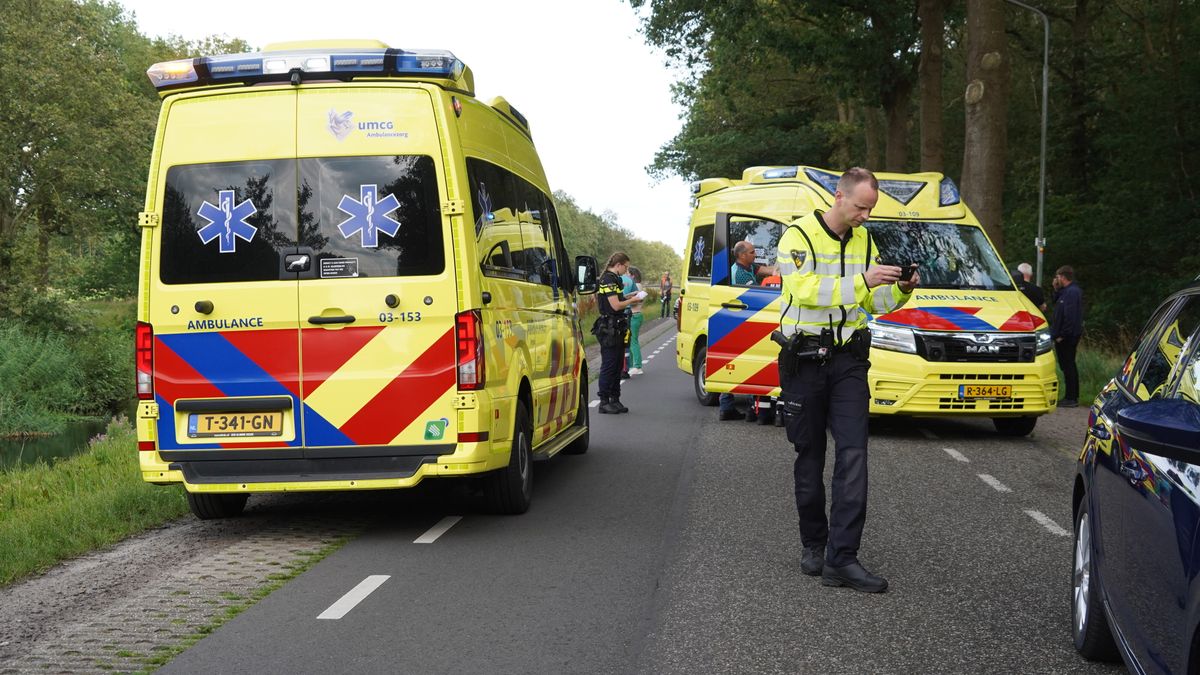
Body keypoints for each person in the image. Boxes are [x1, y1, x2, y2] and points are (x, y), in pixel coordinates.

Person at [776, 167, 918, 593]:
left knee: (855, 454)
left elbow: (874, 301)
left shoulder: (866, 240)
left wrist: (903, 290)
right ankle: (814, 544)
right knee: (810, 456)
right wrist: (861, 281)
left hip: (850, 361)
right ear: (838, 196)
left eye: (870, 209)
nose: (865, 216)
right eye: (860, 207)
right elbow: (802, 291)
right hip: (804, 359)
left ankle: (842, 558)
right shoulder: (797, 237)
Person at [719, 241, 773, 422]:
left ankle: (730, 406)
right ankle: (746, 406)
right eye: (752, 252)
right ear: (742, 255)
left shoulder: (747, 266)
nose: (755, 255)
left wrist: (782, 268)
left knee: (734, 363)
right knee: (741, 363)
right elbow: (760, 292)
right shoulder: (741, 274)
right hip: (741, 320)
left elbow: (766, 270)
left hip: (740, 318)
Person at [594, 252, 641, 414]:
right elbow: (615, 306)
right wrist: (632, 301)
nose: (626, 270)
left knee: (617, 365)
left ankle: (615, 399)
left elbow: (617, 299)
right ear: (619, 264)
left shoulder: (614, 280)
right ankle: (604, 401)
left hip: (618, 327)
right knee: (609, 364)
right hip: (609, 328)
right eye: (625, 267)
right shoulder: (607, 279)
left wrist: (629, 296)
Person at [1051, 265, 1083, 407]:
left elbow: (1070, 316)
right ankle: (1071, 396)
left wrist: (1062, 335)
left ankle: (1071, 397)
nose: (1056, 279)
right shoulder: (1065, 292)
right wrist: (1056, 289)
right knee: (1067, 365)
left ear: (1063, 277)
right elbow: (1056, 302)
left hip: (1067, 336)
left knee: (1068, 365)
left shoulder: (1072, 292)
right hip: (1066, 334)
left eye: (1057, 277)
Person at [627, 267, 646, 375]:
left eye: (628, 274)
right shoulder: (637, 285)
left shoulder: (637, 286)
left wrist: (626, 299)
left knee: (633, 341)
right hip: (634, 315)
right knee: (630, 341)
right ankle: (631, 365)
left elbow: (636, 301)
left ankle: (637, 366)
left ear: (632, 275)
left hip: (635, 315)